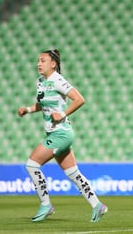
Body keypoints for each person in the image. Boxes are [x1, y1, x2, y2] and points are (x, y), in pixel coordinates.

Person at [17, 49, 107, 222]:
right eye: (38, 61)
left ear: (53, 64)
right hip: (56, 133)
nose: (39, 64)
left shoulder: (58, 80)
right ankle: (97, 205)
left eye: (42, 61)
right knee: (73, 173)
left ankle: (46, 204)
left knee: (32, 165)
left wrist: (63, 114)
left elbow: (79, 99)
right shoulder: (41, 82)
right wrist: (28, 109)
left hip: (61, 133)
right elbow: (43, 104)